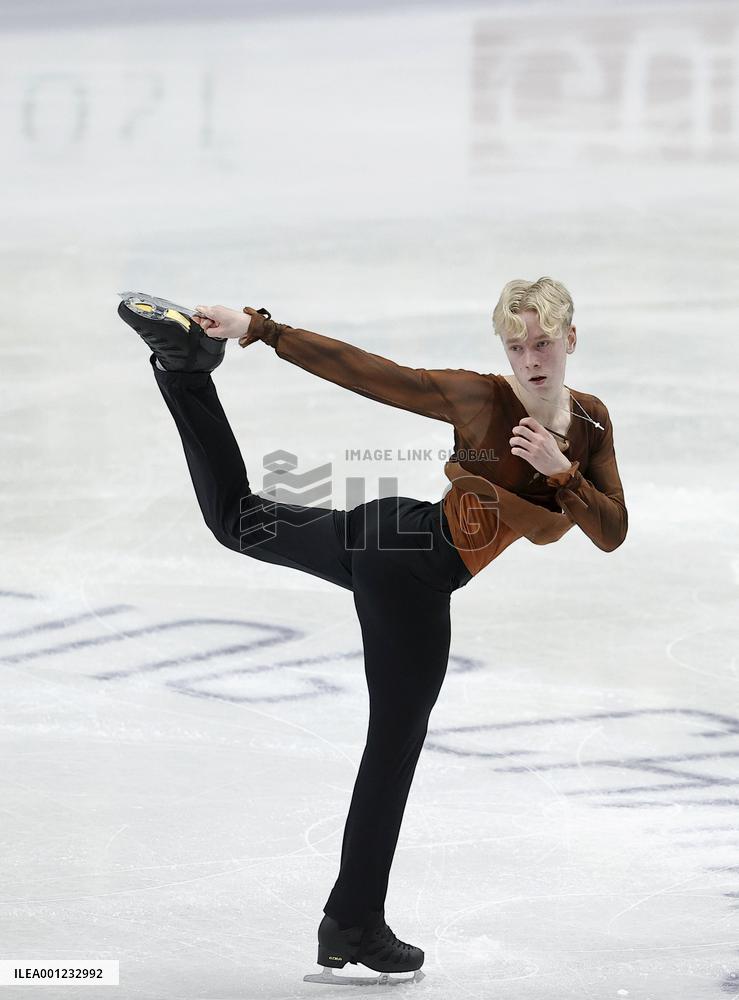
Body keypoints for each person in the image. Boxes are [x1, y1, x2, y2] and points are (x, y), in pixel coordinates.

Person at [116, 276, 627, 985]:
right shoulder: (481, 399)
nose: (530, 358)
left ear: (570, 339)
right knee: (392, 748)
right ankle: (352, 922)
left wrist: (562, 472)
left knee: (237, 519)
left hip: (386, 534)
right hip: (410, 570)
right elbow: (377, 377)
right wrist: (261, 329)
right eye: (516, 345)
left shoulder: (593, 423)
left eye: (542, 342)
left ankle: (181, 371)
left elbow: (612, 531)